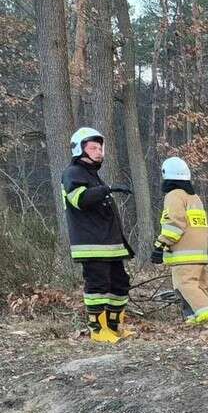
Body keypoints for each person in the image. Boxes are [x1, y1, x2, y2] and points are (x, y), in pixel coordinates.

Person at [61, 127, 134, 343]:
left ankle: (114, 326)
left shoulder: (94, 176)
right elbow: (79, 200)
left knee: (120, 283)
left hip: (109, 244)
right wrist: (107, 189)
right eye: (93, 147)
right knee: (97, 286)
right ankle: (98, 330)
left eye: (100, 147)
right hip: (91, 244)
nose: (99, 151)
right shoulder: (72, 173)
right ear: (79, 149)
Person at [151, 157, 208, 325]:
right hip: (199, 255)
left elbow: (174, 225)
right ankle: (194, 318)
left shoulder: (174, 196)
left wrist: (160, 245)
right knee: (197, 287)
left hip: (183, 255)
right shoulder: (194, 198)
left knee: (185, 286)